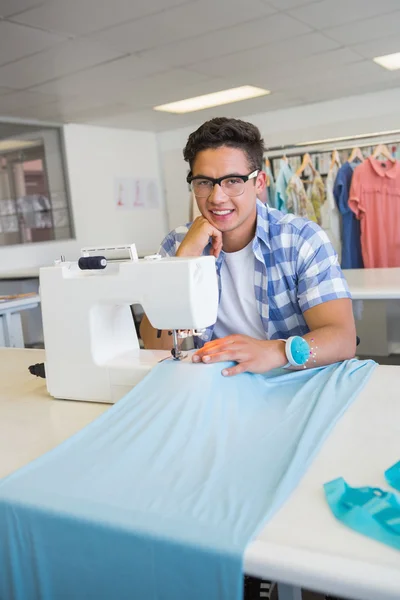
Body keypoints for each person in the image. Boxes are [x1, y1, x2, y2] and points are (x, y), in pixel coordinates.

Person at [140, 117, 356, 374]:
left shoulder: (301, 239)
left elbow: (343, 339)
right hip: (218, 382)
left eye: (233, 181)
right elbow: (156, 344)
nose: (217, 197)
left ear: (260, 183)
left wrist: (276, 351)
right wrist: (184, 260)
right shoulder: (177, 242)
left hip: (296, 378)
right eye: (204, 182)